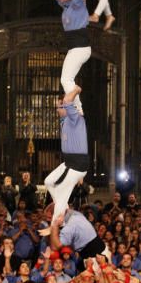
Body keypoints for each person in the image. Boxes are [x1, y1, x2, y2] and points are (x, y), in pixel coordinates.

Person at [44, 86, 89, 224]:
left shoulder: (75, 118)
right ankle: (63, 208)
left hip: (77, 164)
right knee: (49, 182)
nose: (57, 110)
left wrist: (75, 90)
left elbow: (69, 100)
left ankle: (57, 225)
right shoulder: (64, 121)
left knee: (62, 193)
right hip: (68, 162)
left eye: (59, 107)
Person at [55, 0, 91, 114]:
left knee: (66, 79)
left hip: (80, 48)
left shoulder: (78, 4)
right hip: (74, 48)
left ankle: (77, 108)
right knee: (66, 79)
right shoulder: (66, 5)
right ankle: (78, 108)